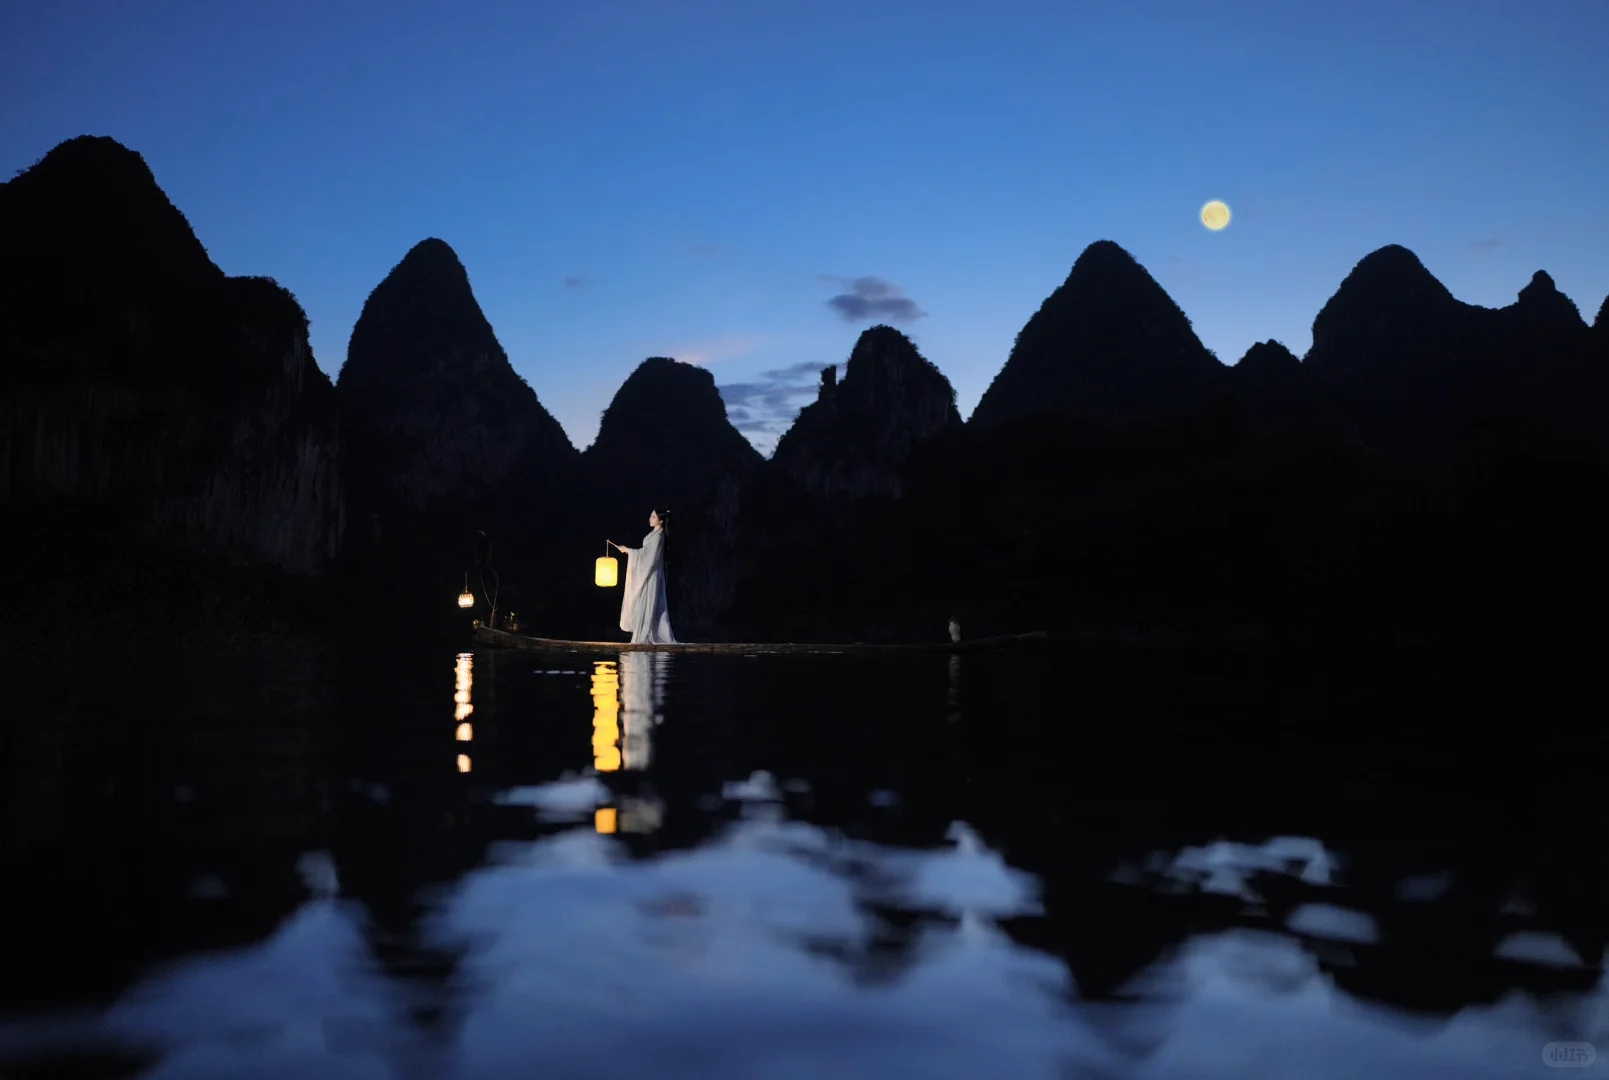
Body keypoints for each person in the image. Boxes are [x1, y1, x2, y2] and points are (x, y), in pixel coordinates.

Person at [608, 508, 677, 644]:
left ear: (661, 520)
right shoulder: (655, 534)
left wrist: (628, 551)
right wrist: (629, 551)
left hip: (650, 575)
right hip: (650, 573)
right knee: (644, 603)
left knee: (647, 604)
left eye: (653, 517)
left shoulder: (658, 536)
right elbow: (645, 553)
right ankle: (643, 635)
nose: (650, 519)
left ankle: (644, 637)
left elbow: (649, 558)